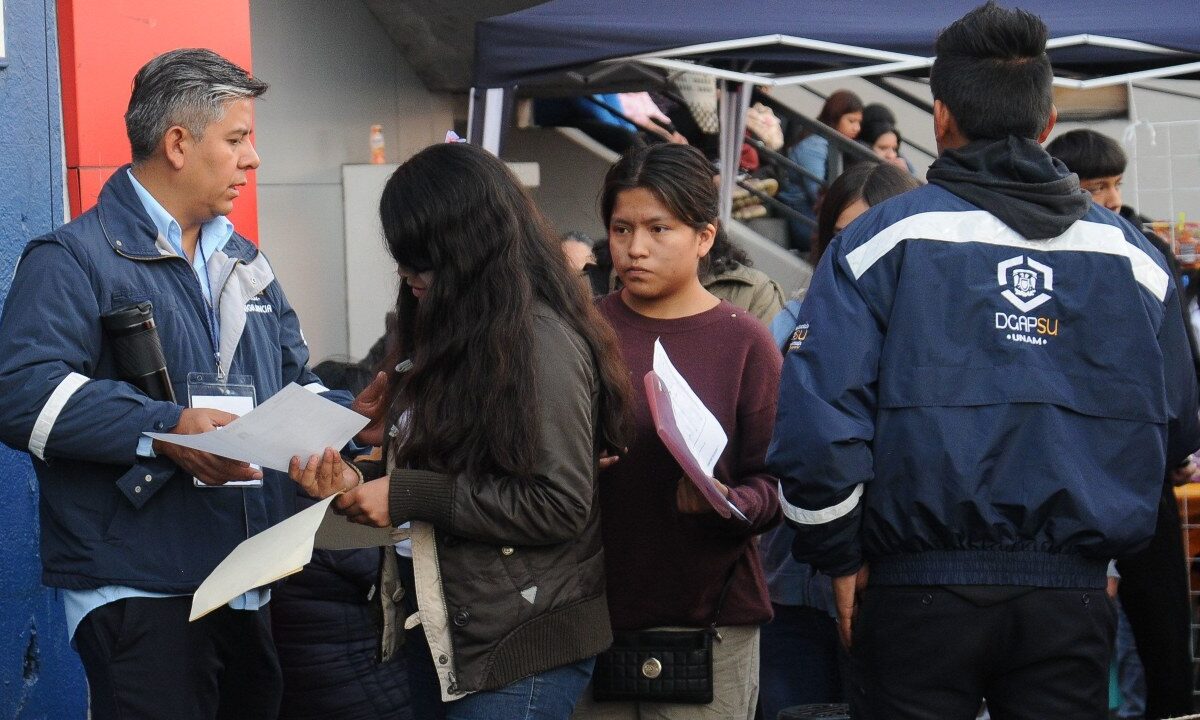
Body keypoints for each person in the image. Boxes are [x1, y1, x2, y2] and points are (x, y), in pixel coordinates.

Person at [769, 4, 1200, 719]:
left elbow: (818, 426)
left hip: (912, 594)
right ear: (1049, 121)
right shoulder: (1134, 260)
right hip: (1074, 599)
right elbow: (1181, 434)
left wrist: (837, 554)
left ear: (939, 118)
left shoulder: (879, 242)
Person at [0, 49, 356, 720]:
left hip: (248, 583)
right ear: (177, 144)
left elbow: (294, 388)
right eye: (238, 138)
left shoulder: (247, 262)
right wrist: (162, 432)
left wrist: (344, 439)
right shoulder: (70, 259)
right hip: (142, 594)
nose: (253, 159)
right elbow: (19, 393)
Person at [290, 141, 631, 720]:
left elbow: (558, 503)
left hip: (520, 642)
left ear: (470, 251)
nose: (406, 273)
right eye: (400, 255)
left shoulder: (540, 342)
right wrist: (362, 473)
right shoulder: (454, 329)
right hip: (452, 629)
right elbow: (460, 472)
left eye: (422, 259)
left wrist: (402, 493)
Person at [571, 143, 782, 720]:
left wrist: (729, 502)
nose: (635, 248)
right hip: (587, 615)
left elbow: (779, 480)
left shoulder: (746, 341)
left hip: (711, 617)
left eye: (658, 228)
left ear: (705, 237)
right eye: (621, 228)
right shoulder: (581, 332)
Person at [1047, 128, 1199, 720]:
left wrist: (1178, 440)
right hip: (1073, 476)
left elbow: (1179, 361)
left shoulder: (1146, 251)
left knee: (1162, 635)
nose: (1109, 197)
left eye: (1114, 183)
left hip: (1141, 469)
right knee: (1076, 642)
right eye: (1095, 185)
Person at [758, 161, 919, 720]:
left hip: (898, 586)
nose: (860, 256)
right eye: (844, 238)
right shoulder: (789, 324)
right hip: (792, 583)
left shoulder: (935, 333)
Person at [777, 90, 863, 251]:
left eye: (859, 122)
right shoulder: (814, 145)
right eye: (851, 121)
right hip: (801, 216)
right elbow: (815, 191)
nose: (857, 128)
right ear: (834, 117)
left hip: (810, 214)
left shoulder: (831, 145)